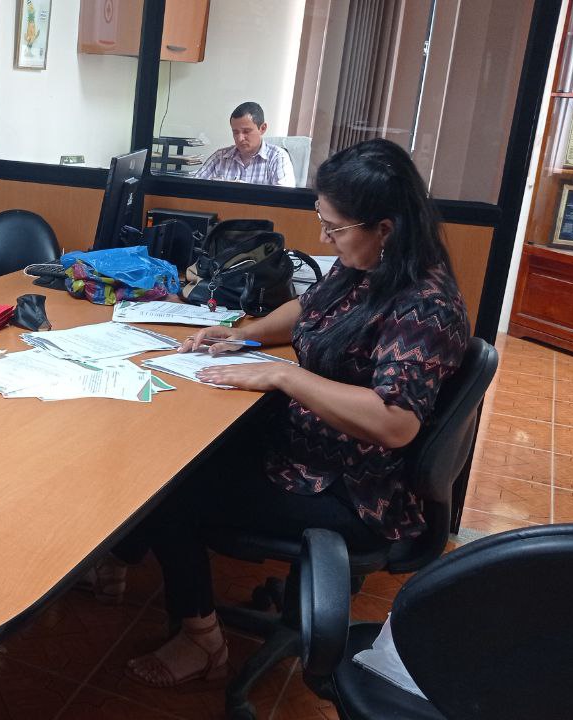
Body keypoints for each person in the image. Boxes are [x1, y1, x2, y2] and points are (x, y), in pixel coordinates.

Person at [106, 138, 469, 688]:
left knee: (166, 487)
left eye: (335, 228)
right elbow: (308, 307)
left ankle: (202, 640)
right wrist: (241, 335)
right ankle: (121, 556)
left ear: (385, 228)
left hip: (351, 489)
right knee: (172, 442)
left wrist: (285, 375)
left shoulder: (425, 305)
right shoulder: (368, 266)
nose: (325, 238)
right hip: (306, 449)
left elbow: (395, 421)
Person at [194, 102, 296, 187]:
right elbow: (193, 189)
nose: (240, 138)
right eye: (235, 132)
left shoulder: (277, 157)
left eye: (246, 131)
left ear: (262, 128)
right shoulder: (219, 157)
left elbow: (285, 200)